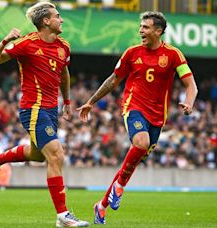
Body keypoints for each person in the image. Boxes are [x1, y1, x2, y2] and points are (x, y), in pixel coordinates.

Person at [77, 11, 198, 224]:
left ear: (158, 31)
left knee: (133, 161)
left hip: (158, 116)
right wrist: (91, 101)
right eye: (141, 26)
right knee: (141, 142)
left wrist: (189, 102)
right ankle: (120, 187)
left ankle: (102, 205)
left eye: (145, 27)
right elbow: (114, 80)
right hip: (134, 107)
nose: (140, 30)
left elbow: (191, 85)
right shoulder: (132, 53)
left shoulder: (173, 54)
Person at [0, 2, 89, 227]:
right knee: (56, 155)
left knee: (39, 155)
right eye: (58, 16)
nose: (62, 19)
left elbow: (64, 73)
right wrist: (5, 40)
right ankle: (62, 215)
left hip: (51, 110)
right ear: (46, 21)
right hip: (33, 108)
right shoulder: (26, 44)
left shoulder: (64, 46)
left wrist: (67, 101)